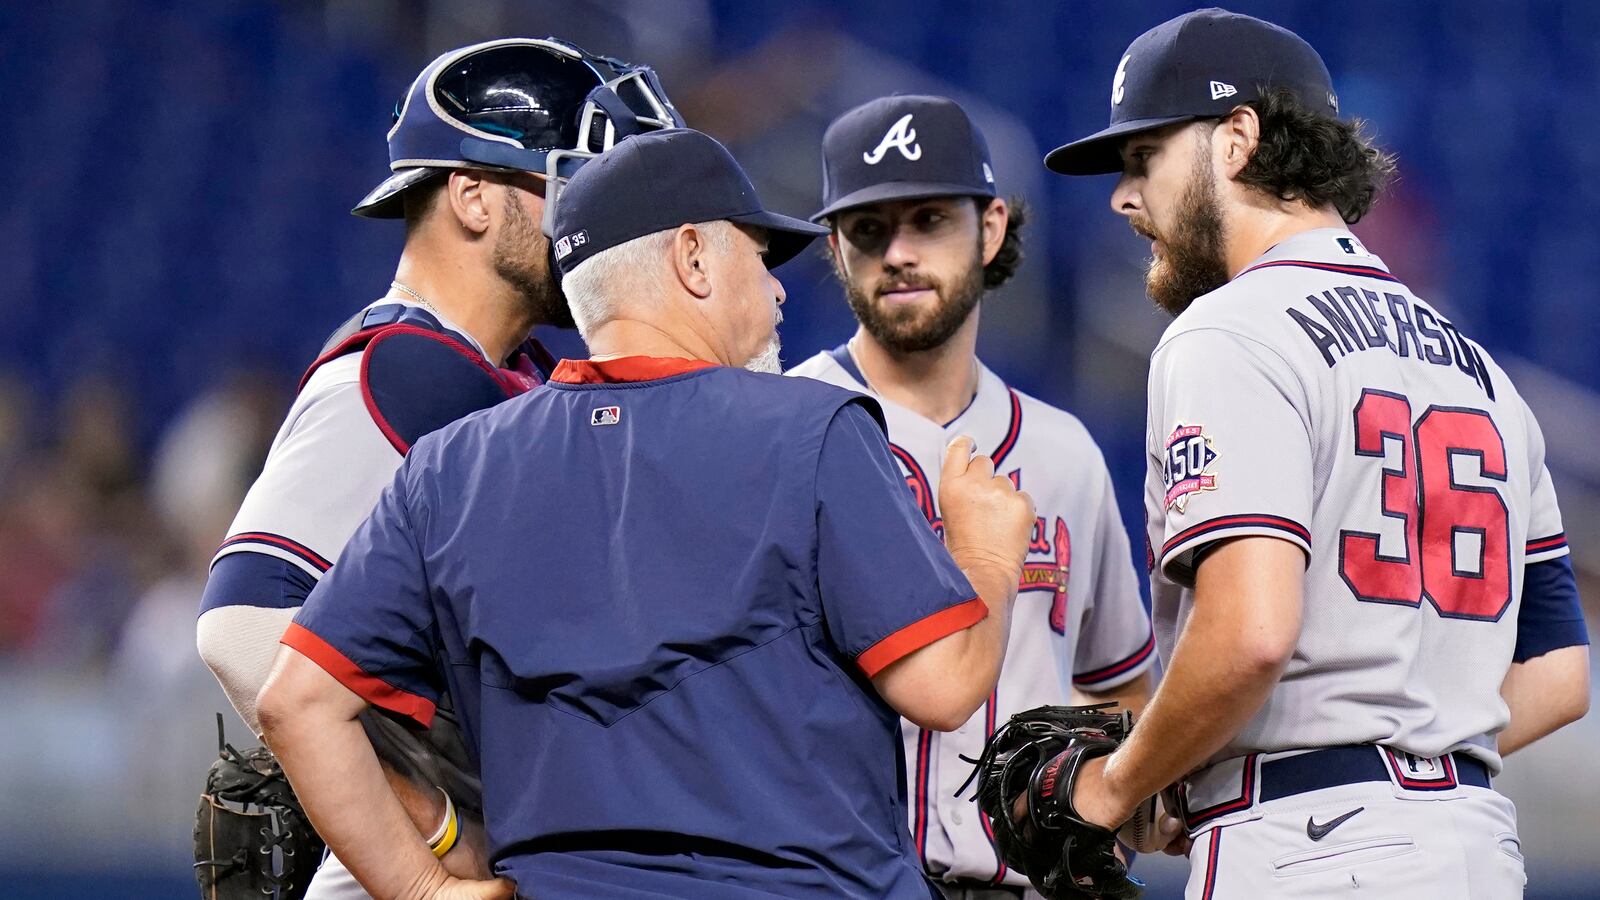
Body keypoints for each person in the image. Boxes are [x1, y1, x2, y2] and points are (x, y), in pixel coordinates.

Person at [255, 126, 1037, 900]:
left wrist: (423, 888)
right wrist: (989, 555)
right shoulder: (814, 430)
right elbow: (944, 687)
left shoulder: (451, 466)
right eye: (759, 259)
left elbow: (295, 702)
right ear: (693, 257)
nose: (777, 290)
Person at [1044, 8, 1590, 897]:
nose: (1121, 194)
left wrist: (1116, 786)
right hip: (1477, 848)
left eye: (1143, 157)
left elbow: (1251, 633)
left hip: (1308, 849)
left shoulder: (1226, 330)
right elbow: (1562, 675)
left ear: (1237, 139)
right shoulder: (1484, 372)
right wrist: (1409, 743)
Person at [194, 37, 683, 898]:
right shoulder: (402, 368)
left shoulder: (507, 370)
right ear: (473, 196)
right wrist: (433, 852)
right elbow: (243, 627)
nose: (598, 227)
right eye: (574, 188)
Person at [788, 94, 1154, 899]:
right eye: (870, 230)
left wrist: (1107, 829)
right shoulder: (779, 428)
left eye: (929, 220)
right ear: (836, 249)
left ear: (990, 228)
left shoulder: (1065, 454)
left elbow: (1120, 680)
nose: (899, 253)